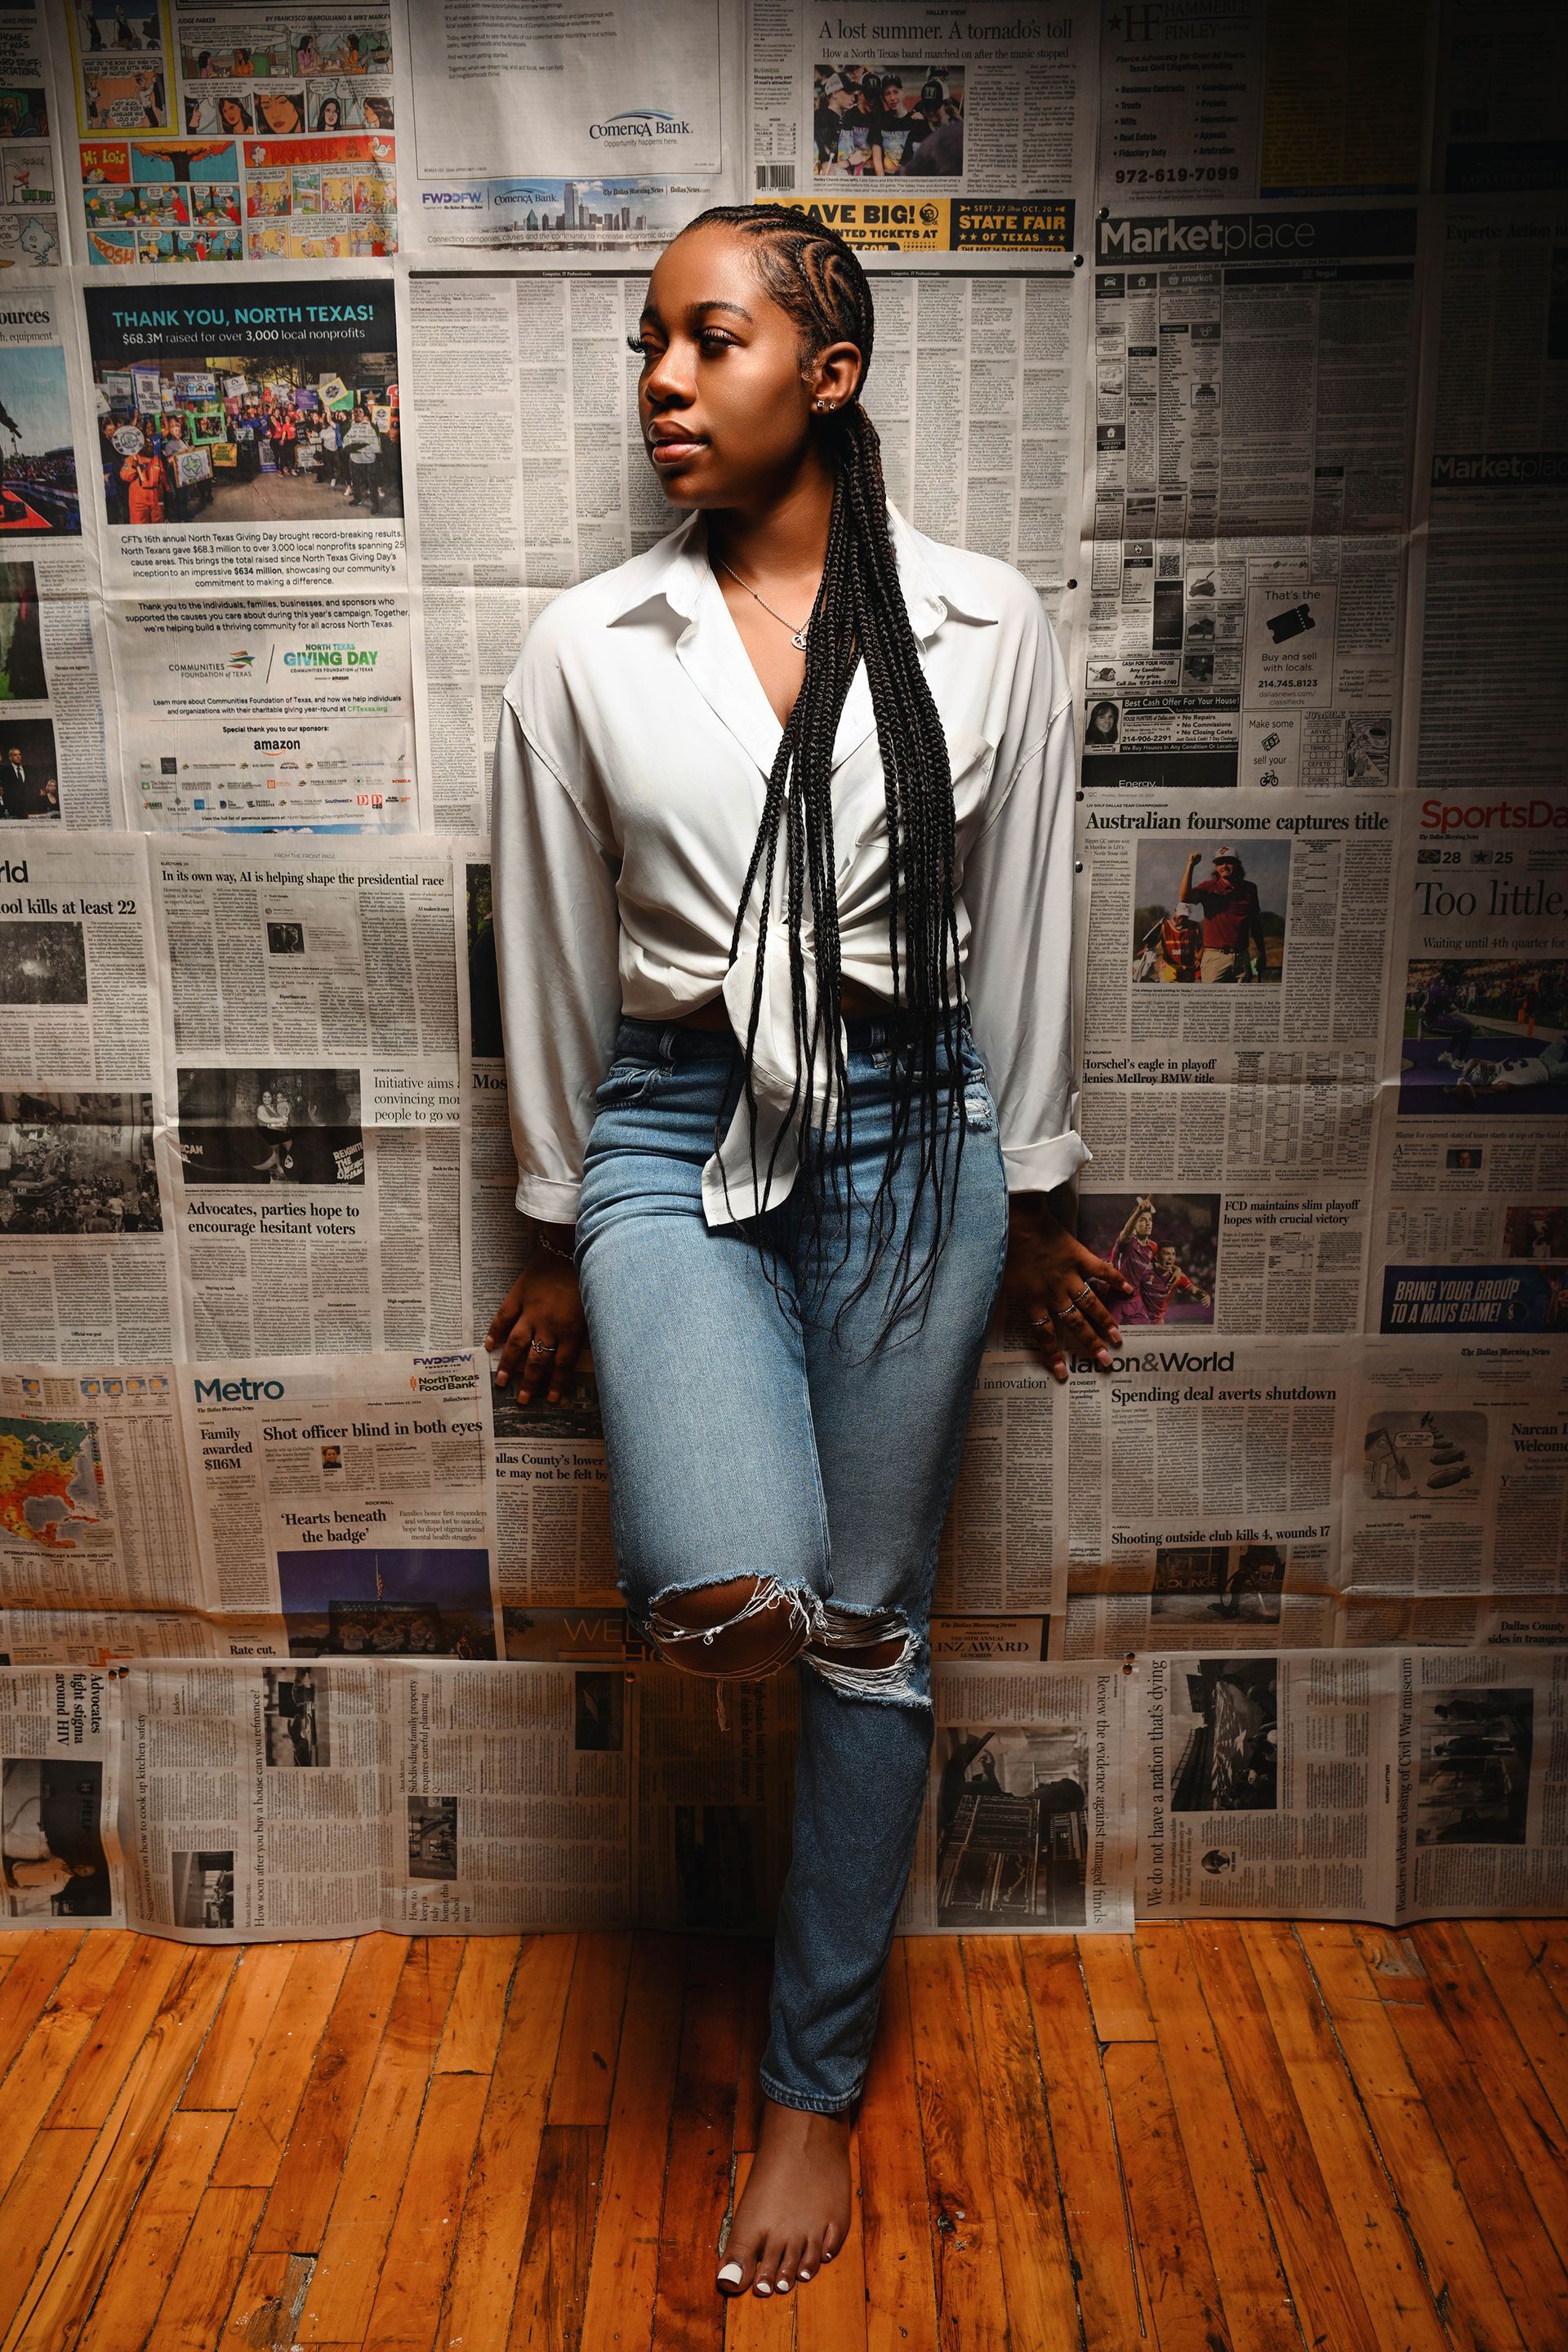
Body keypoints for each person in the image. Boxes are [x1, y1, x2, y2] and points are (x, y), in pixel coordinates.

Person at [487, 207, 1129, 2302]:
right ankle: (741, 1565)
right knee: (736, 1594)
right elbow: (557, 967)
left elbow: (1020, 923)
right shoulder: (587, 645)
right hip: (675, 1130)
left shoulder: (980, 621)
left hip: (917, 1125)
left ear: (823, 374)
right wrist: (566, 1234)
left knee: (869, 1631)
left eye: (711, 337)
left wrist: (1024, 1200)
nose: (662, 379)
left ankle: (807, 2088)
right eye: (647, 345)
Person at [1177, 845, 1267, 981]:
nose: (1224, 866)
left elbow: (1255, 924)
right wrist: (1190, 866)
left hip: (1242, 957)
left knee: (1242, 1001)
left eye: (1229, 861)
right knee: (1212, 1001)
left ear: (1238, 864)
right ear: (1216, 867)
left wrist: (1262, 952)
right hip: (1215, 958)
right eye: (1219, 863)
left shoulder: (1250, 888)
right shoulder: (1208, 887)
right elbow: (1184, 897)